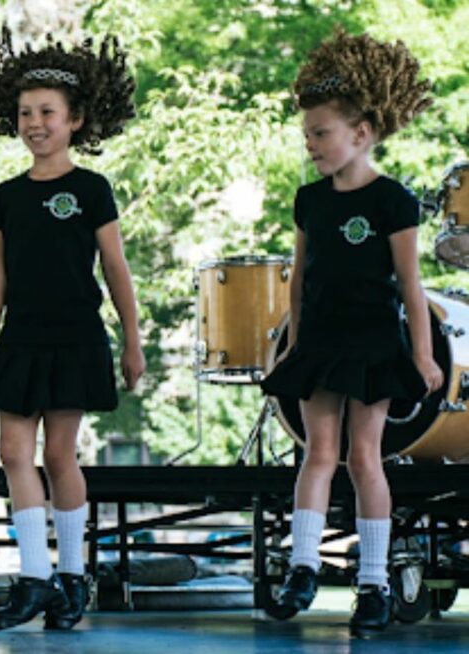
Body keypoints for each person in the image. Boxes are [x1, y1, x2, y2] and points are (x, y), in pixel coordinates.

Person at [260, 27, 440, 637]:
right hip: (321, 343)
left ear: (360, 134)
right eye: (307, 134)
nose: (311, 144)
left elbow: (410, 286)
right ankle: (304, 566)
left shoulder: (393, 200)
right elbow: (299, 277)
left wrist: (421, 353)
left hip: (372, 343)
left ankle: (373, 584)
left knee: (366, 457)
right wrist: (296, 343)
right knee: (318, 452)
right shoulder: (310, 200)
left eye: (321, 133)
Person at [0, 28, 143, 631]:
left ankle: (72, 576)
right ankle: (35, 578)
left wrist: (133, 340)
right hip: (20, 339)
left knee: (59, 452)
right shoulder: (6, 195)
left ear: (75, 121)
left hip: (74, 336)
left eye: (47, 112)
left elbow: (116, 269)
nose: (34, 123)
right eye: (25, 113)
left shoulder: (91, 188)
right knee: (12, 450)